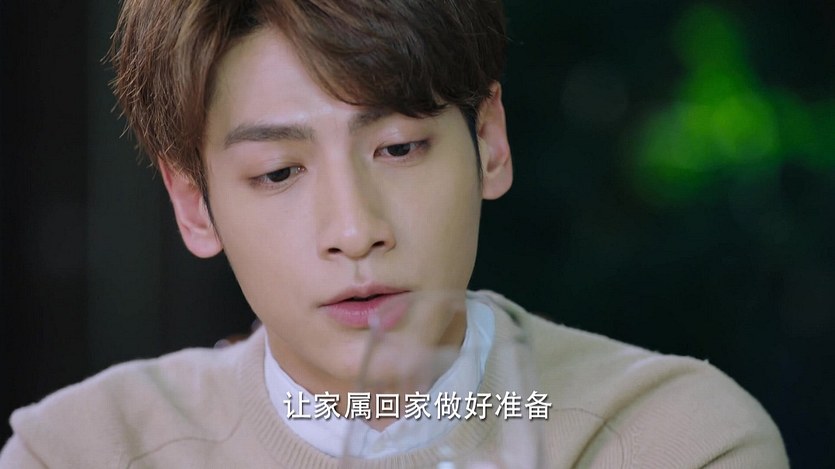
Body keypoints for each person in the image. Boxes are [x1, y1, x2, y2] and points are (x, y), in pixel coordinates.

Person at [0, 0, 788, 467]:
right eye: (278, 171)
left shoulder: (674, 439)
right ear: (194, 204)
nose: (354, 230)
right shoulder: (83, 449)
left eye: (400, 148)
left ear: (489, 141)